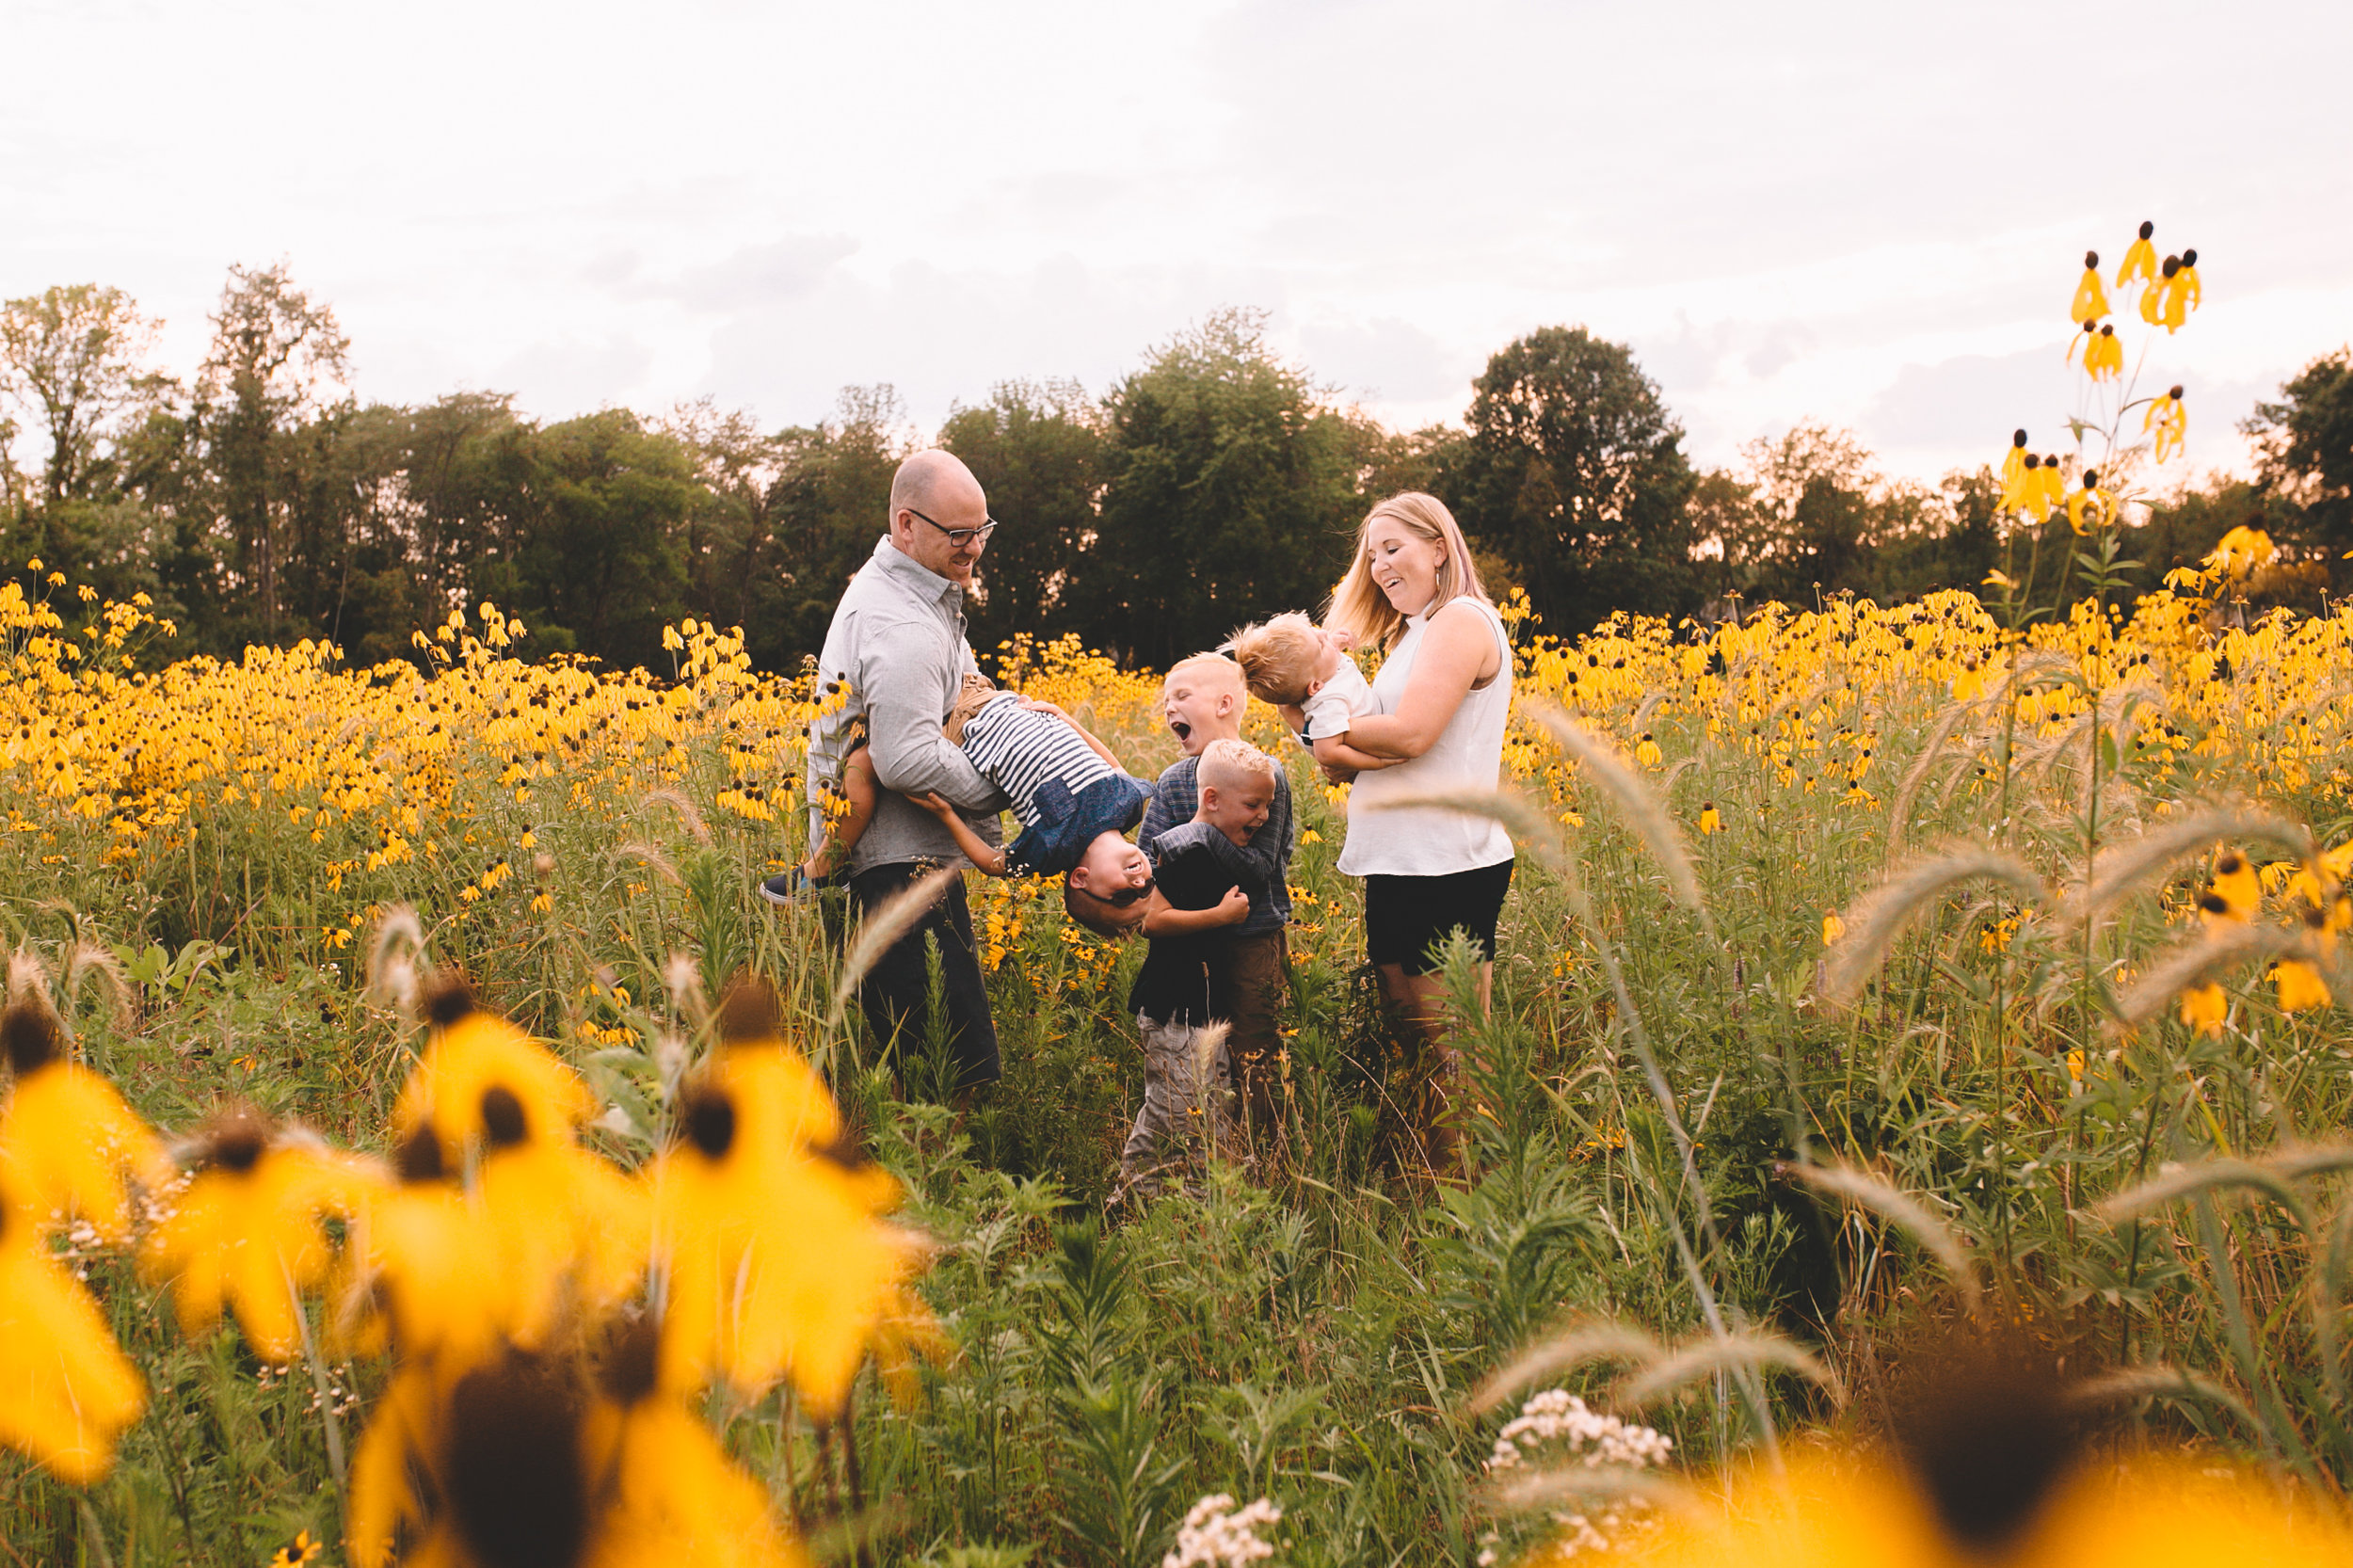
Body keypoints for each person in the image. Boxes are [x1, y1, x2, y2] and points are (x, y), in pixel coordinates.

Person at [1284, 492, 1514, 1175]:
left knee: (1455, 1048)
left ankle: (1470, 1200)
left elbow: (1410, 735)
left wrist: (1326, 732)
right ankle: (1429, 1180)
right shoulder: (1412, 635)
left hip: (1450, 862)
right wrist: (1316, 723)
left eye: (1394, 548)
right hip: (1397, 857)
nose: (1380, 565)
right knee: (1411, 1038)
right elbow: (1354, 763)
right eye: (1372, 554)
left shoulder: (1463, 621)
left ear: (1439, 546)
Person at [773, 451, 1007, 1099]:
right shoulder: (900, 621)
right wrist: (1004, 789)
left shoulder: (919, 594)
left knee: (932, 1072)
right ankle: (935, 1198)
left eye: (983, 530)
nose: (975, 549)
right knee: (950, 1082)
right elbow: (904, 760)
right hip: (897, 874)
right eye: (958, 534)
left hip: (902, 864)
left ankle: (928, 1192)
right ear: (906, 524)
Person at [1135, 653, 1296, 1157]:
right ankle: (1203, 1155)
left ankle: (1263, 1158)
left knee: (1255, 1052)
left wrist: (1194, 836)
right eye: (1165, 700)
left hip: (1252, 941)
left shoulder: (1264, 778)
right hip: (1188, 945)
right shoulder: (1173, 781)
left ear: (1225, 703)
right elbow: (1148, 859)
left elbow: (1260, 868)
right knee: (1196, 1059)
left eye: (1180, 695)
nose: (1169, 707)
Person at [1109, 738, 1278, 1205]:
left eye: (1267, 805)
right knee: (1202, 1118)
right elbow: (1152, 920)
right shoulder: (1185, 850)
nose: (1263, 817)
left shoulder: (1217, 849)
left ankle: (1128, 1203)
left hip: (1197, 1012)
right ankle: (1211, 1213)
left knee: (1165, 1113)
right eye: (1253, 805)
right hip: (1175, 1010)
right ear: (1211, 799)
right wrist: (1221, 916)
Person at [806, 671, 1151, 885]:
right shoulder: (1130, 804)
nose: (1140, 884)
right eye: (1150, 886)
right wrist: (1065, 718)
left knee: (864, 761)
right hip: (992, 697)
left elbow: (993, 864)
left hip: (962, 731)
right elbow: (1113, 764)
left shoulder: (1050, 849)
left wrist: (947, 815)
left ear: (1081, 880)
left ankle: (827, 864)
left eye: (1122, 897)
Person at [1228, 612, 1383, 772]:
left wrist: (1331, 644)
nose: (1324, 632)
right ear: (1315, 686)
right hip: (1376, 750)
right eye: (1321, 645)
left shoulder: (1322, 672)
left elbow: (1319, 660)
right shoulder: (1329, 703)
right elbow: (1327, 753)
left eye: (1315, 632)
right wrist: (1377, 764)